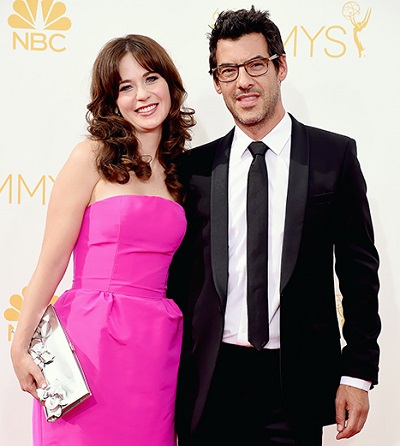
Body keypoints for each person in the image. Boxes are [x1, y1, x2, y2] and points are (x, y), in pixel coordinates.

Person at [168, 6, 380, 446]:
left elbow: (359, 273)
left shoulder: (333, 157)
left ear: (280, 66)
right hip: (208, 381)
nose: (242, 81)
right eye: (228, 71)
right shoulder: (193, 170)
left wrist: (357, 373)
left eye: (255, 65)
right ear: (217, 82)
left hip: (295, 383)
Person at [10, 34, 195, 445]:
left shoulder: (180, 173)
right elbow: (52, 261)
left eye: (151, 78)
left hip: (156, 347)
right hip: (89, 343)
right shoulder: (90, 158)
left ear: (170, 84)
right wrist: (19, 346)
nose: (142, 95)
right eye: (125, 87)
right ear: (112, 101)